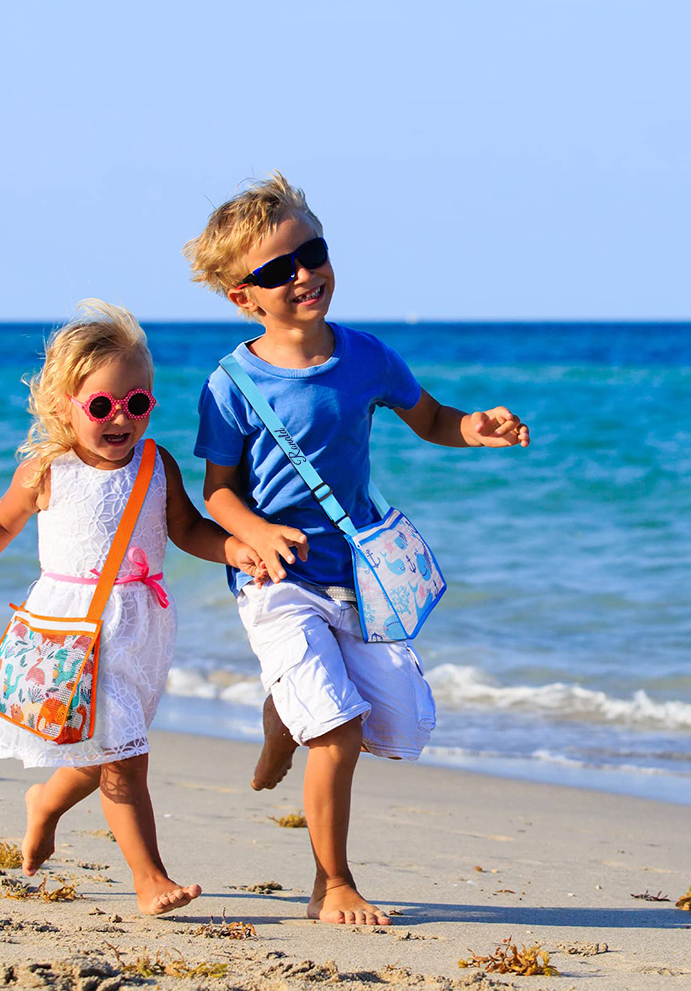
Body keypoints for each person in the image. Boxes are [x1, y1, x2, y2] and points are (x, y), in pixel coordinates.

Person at [184, 173, 530, 926]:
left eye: (312, 253)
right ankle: (330, 882)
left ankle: (283, 713)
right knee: (336, 730)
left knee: (395, 732)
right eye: (278, 270)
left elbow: (433, 418)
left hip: (358, 581)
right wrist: (254, 532)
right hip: (276, 581)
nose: (303, 275)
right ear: (243, 295)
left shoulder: (367, 357)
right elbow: (215, 492)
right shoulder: (232, 384)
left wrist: (479, 429)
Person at [0, 300, 264, 915]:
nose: (121, 419)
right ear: (63, 407)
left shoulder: (157, 464)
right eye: (102, 406)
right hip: (74, 631)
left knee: (99, 751)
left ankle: (44, 803)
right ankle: (148, 877)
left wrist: (234, 547)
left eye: (137, 403)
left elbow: (187, 530)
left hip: (141, 628)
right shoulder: (48, 470)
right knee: (124, 757)